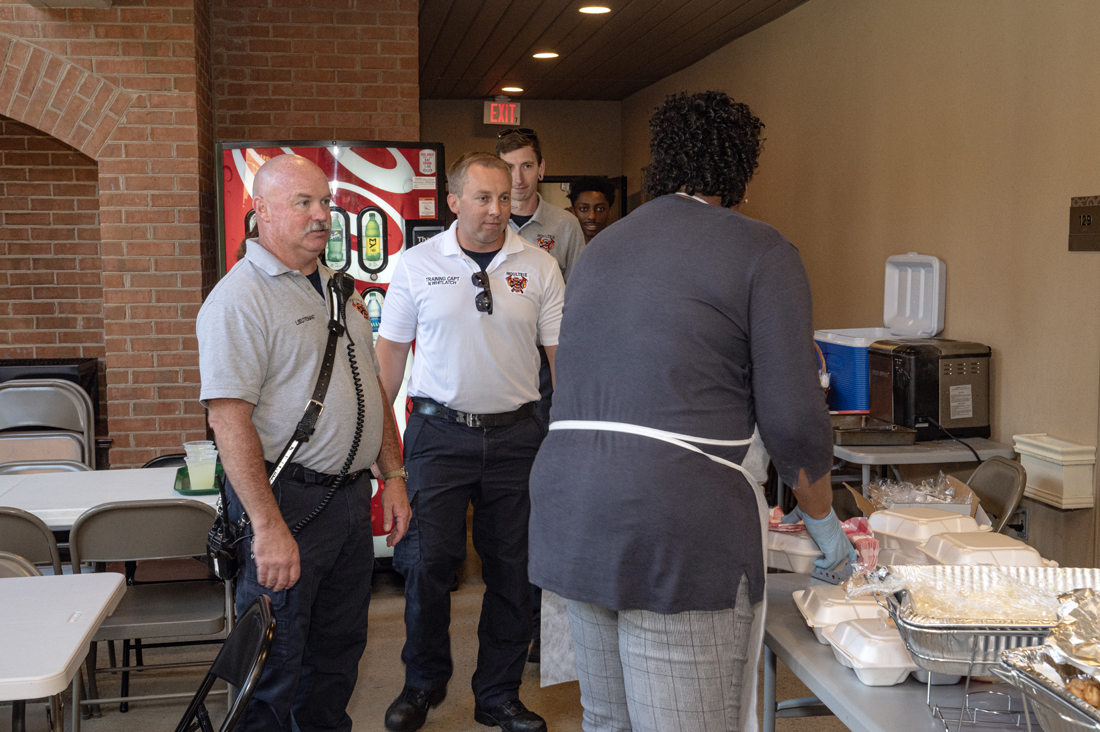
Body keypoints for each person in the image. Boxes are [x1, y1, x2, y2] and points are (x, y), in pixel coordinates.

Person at [528, 91, 856, 732]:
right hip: (674, 524)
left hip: (571, 511)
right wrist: (825, 522)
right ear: (740, 168)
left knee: (608, 720)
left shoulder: (601, 249)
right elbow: (791, 417)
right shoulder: (763, 251)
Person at [197, 154, 412, 732]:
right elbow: (229, 422)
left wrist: (393, 476)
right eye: (303, 204)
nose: (322, 216)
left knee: (337, 659)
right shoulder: (238, 299)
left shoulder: (339, 289)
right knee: (273, 667)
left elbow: (370, 391)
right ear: (260, 211)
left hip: (347, 503)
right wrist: (267, 529)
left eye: (325, 204)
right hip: (284, 504)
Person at [375, 151, 564, 732]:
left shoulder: (539, 267)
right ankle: (424, 682)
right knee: (429, 562)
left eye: (504, 198)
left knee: (514, 570)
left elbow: (563, 367)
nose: (496, 210)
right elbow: (387, 371)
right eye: (483, 198)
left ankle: (497, 696)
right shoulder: (414, 265)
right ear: (453, 202)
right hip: (438, 434)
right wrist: (385, 463)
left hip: (518, 437)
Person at [496, 129, 585, 664]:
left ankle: (542, 626)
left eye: (527, 166)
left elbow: (579, 305)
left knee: (545, 502)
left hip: (550, 380)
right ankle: (520, 618)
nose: (518, 178)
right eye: (508, 168)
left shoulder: (565, 227)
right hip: (505, 380)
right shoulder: (489, 221)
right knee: (509, 512)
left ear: (541, 167)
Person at [566, 176, 616, 244]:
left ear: (610, 212)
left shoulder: (619, 247)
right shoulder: (563, 248)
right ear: (573, 211)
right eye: (584, 209)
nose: (592, 217)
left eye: (600, 209)